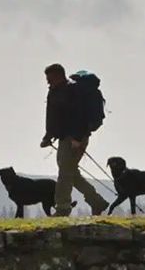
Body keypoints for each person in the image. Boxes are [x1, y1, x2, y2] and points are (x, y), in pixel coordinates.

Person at [41, 63, 108, 216]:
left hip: (75, 138)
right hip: (64, 138)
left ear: (59, 76)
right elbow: (51, 116)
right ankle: (97, 201)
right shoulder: (54, 92)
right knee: (71, 172)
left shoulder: (73, 91)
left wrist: (77, 138)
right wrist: (48, 136)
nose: (48, 82)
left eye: (50, 79)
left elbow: (80, 116)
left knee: (65, 173)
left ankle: (63, 208)